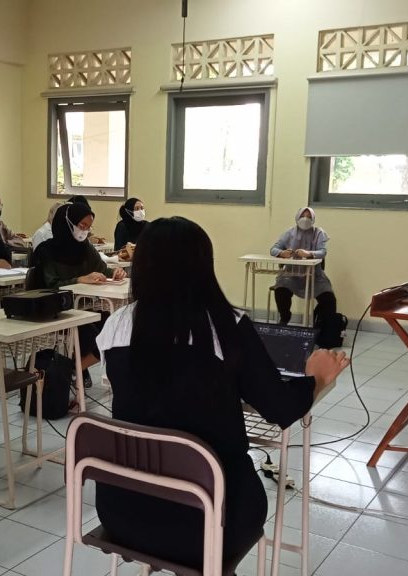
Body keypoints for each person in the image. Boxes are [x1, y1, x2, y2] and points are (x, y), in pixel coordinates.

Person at [93, 216, 349, 569]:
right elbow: (280, 409)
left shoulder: (115, 326)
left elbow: (146, 391)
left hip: (123, 514)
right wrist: (316, 378)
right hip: (212, 521)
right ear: (203, 267)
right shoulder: (226, 325)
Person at [35, 202, 125, 375]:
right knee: (91, 333)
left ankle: (74, 369)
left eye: (88, 227)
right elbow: (50, 285)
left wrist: (116, 272)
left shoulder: (85, 247)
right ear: (67, 223)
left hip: (83, 307)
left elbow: (102, 269)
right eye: (82, 226)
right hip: (56, 309)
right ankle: (74, 370)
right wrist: (79, 280)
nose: (84, 231)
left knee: (113, 326)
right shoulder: (47, 251)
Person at [270, 207, 337, 328]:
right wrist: (282, 253)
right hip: (291, 275)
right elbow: (273, 249)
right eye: (303, 216)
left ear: (313, 219)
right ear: (297, 217)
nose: (305, 219)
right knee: (281, 290)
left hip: (314, 276)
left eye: (309, 217)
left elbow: (322, 252)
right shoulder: (289, 233)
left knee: (329, 298)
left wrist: (309, 253)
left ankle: (322, 326)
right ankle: (285, 317)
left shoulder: (319, 233)